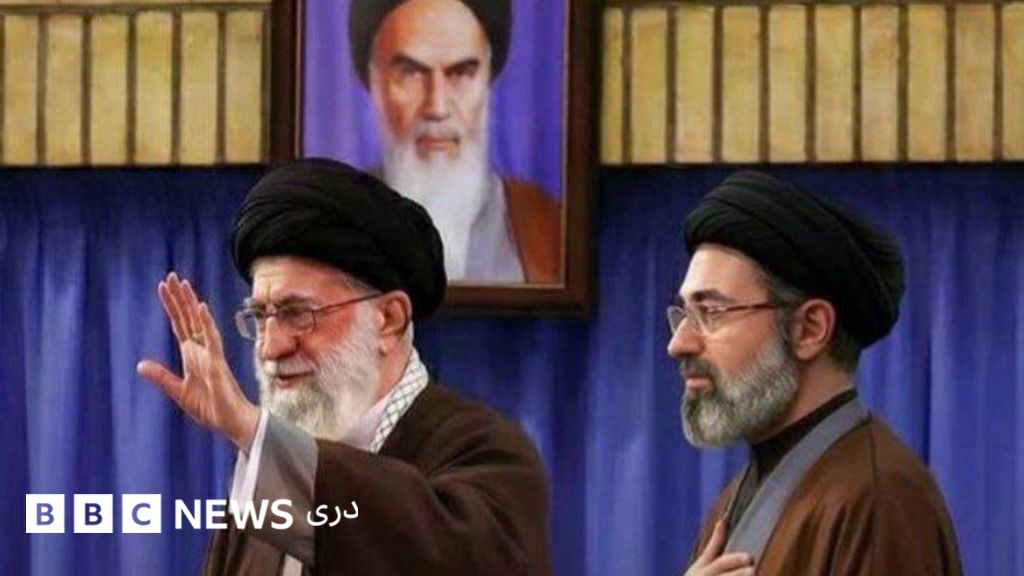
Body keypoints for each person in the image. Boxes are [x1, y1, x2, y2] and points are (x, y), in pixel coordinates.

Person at [136, 159, 552, 575]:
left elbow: (436, 553)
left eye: (298, 313)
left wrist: (252, 431)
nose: (271, 346)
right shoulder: (264, 475)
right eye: (261, 316)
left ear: (388, 319)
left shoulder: (485, 454)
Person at [668, 171, 962, 575]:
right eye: (684, 314)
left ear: (809, 329)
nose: (679, 343)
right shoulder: (734, 500)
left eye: (711, 312)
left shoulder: (879, 499)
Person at [348, 0, 561, 284]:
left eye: (461, 73)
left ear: (487, 79)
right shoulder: (333, 225)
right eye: (411, 73)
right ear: (374, 81)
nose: (437, 107)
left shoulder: (550, 231)